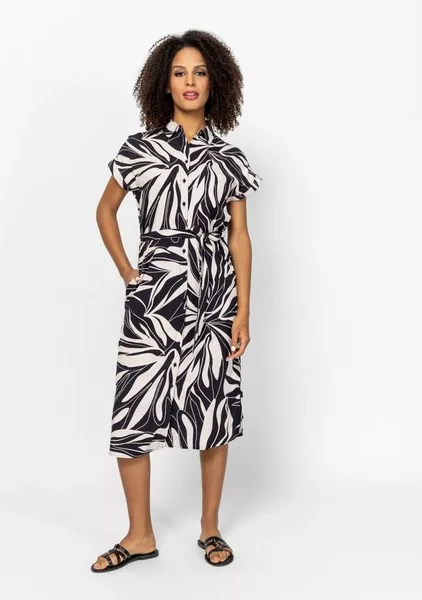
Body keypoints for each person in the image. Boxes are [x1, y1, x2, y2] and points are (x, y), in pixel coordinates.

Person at [92, 29, 262, 571]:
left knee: (213, 408)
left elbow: (239, 236)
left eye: (200, 73)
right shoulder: (139, 149)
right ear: (164, 84)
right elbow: (105, 210)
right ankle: (139, 534)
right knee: (134, 411)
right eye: (180, 73)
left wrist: (242, 311)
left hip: (213, 300)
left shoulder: (229, 157)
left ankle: (210, 528)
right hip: (153, 299)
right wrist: (129, 273)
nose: (190, 82)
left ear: (216, 83)